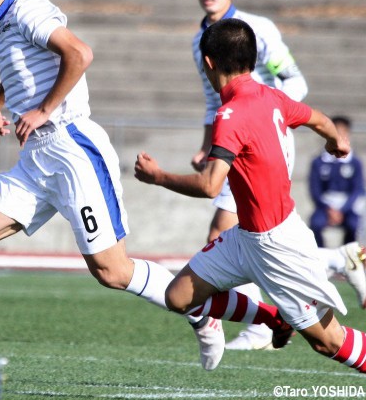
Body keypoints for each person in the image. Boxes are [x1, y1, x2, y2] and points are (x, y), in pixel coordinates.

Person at [0, 0, 225, 371]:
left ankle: (199, 310)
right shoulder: (1, 25)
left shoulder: (28, 10)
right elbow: (23, 66)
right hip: (36, 159)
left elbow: (79, 53)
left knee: (112, 271)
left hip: (71, 149)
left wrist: (42, 108)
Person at [135, 18, 366, 374]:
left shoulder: (230, 114)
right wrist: (336, 140)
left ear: (208, 63)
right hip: (246, 236)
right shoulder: (272, 96)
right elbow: (317, 118)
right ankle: (273, 318)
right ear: (252, 60)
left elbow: (211, 185)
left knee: (327, 341)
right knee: (178, 297)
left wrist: (158, 177)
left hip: (278, 244)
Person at [188, 0, 365, 350]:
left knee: (230, 228)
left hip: (265, 134)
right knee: (246, 234)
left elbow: (294, 80)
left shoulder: (256, 29)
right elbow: (213, 101)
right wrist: (206, 146)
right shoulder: (201, 41)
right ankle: (341, 261)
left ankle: (258, 327)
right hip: (234, 135)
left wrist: (262, 111)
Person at [309, 116, 365, 247]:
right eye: (336, 131)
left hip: (347, 206)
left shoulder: (355, 162)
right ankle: (320, 256)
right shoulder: (318, 161)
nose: (340, 135)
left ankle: (348, 257)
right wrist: (329, 209)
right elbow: (314, 190)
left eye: (343, 131)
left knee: (354, 225)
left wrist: (343, 209)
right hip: (325, 206)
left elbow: (357, 189)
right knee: (315, 224)